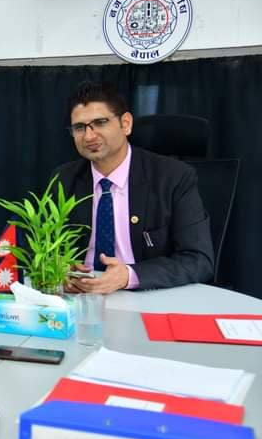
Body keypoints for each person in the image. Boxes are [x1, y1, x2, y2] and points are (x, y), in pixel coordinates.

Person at [56, 81, 214, 293]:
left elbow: (198, 260)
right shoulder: (64, 179)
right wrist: (61, 271)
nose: (89, 136)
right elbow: (44, 248)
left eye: (100, 123)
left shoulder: (174, 177)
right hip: (82, 299)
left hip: (150, 295)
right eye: (79, 128)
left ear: (126, 124)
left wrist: (128, 276)